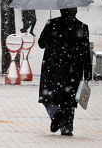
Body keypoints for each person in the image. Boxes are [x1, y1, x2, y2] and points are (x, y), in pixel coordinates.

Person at [38, 7, 92, 136]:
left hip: (53, 67)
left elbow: (41, 43)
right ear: (76, 12)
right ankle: (67, 127)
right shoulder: (82, 27)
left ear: (61, 10)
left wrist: (49, 31)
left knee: (48, 96)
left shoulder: (52, 24)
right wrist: (88, 70)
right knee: (69, 98)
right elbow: (85, 51)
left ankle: (56, 113)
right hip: (73, 69)